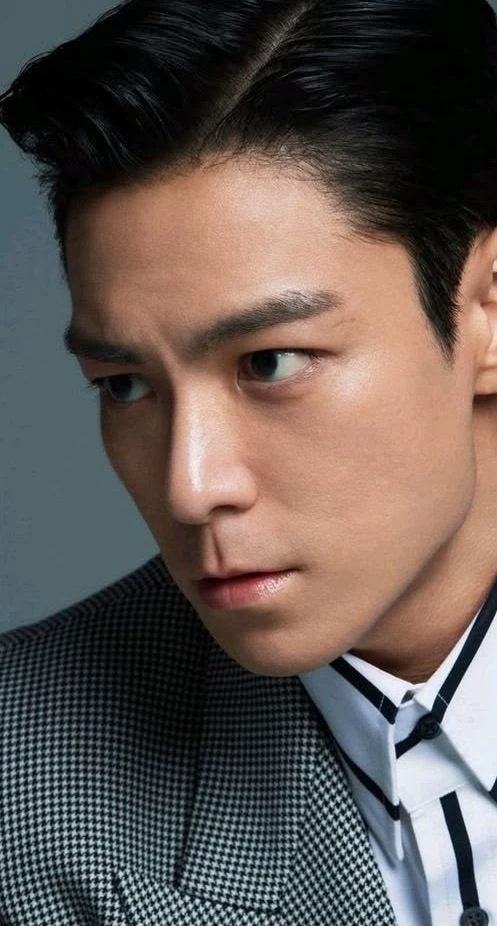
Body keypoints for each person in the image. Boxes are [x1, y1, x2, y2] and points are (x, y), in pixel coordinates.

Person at [1, 0, 497, 922]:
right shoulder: (22, 794)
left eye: (269, 363)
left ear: (486, 311)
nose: (189, 487)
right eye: (124, 384)